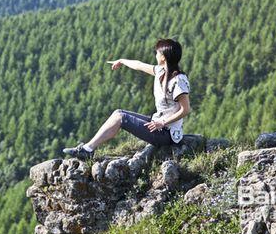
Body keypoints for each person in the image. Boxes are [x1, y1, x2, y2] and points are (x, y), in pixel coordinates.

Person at [62, 38, 191, 160]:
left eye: (157, 53)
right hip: (157, 124)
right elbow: (139, 65)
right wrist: (122, 61)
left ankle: (87, 150)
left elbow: (185, 110)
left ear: (163, 57)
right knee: (118, 113)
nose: (155, 55)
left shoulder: (178, 80)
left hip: (167, 134)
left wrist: (162, 122)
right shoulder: (160, 71)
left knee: (121, 118)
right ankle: (88, 148)